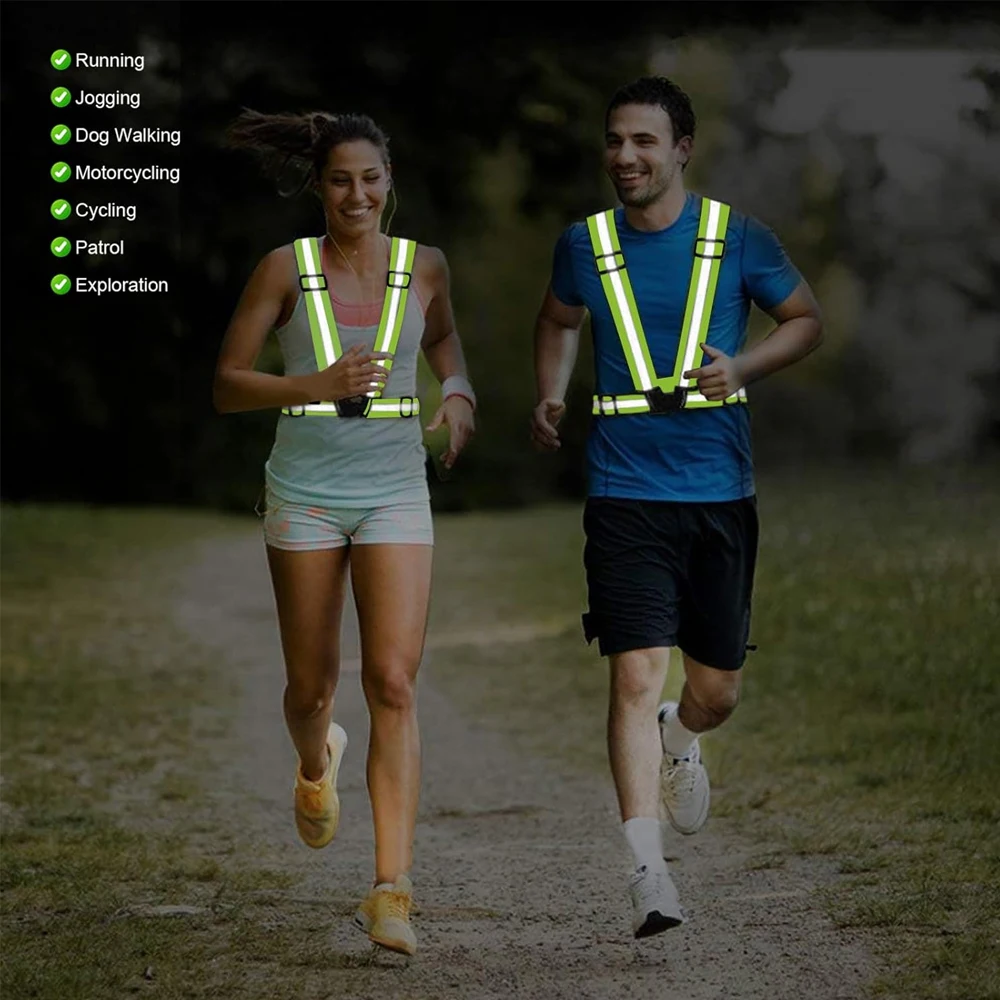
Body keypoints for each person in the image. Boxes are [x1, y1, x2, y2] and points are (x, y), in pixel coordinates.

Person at [530, 77, 823, 938]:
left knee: (717, 690)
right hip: (623, 493)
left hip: (719, 493)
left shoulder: (739, 238)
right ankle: (648, 874)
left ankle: (683, 738)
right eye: (615, 141)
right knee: (630, 673)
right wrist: (549, 391)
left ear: (682, 148)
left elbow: (805, 319)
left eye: (644, 142)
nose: (626, 157)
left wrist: (744, 366)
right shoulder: (581, 244)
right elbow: (557, 319)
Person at [214, 109, 476, 956]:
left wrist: (459, 390)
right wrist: (316, 383)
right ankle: (315, 761)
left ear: (389, 182)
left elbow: (443, 340)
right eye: (339, 180)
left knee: (394, 683)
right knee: (310, 691)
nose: (355, 194)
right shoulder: (283, 269)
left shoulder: (425, 266)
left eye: (370, 178)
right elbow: (226, 385)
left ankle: (390, 889)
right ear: (319, 187)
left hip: (396, 489)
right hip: (306, 493)